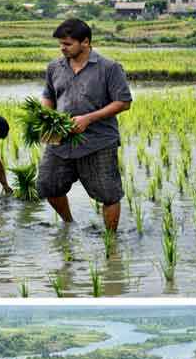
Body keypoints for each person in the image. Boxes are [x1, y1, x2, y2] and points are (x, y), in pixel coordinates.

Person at [38, 18, 133, 233]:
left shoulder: (109, 68)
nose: (62, 48)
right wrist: (47, 117)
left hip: (98, 141)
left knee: (108, 194)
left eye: (67, 44)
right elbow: (48, 96)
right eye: (60, 44)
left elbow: (123, 102)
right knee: (48, 184)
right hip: (61, 140)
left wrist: (88, 119)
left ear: (86, 42)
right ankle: (69, 224)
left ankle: (111, 240)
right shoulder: (55, 67)